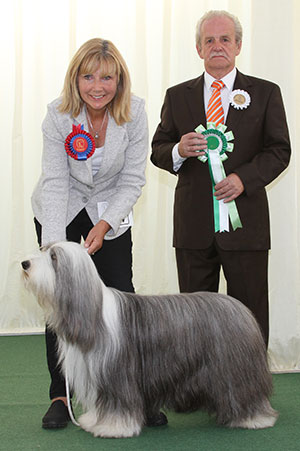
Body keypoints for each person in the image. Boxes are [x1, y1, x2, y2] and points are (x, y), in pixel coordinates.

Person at [32, 38, 166, 429]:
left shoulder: (135, 113)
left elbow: (132, 178)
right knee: (62, 299)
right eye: (88, 76)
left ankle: (134, 393)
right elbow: (56, 182)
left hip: (110, 210)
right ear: (75, 79)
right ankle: (62, 394)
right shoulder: (57, 116)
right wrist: (55, 250)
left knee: (122, 296)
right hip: (61, 209)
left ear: (119, 80)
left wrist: (105, 225)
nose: (97, 86)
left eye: (106, 77)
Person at [151, 10, 291, 347]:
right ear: (198, 48)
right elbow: (158, 149)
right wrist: (179, 150)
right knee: (193, 318)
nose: (217, 46)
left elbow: (279, 150)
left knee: (250, 314)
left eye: (224, 39)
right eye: (209, 40)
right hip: (193, 227)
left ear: (238, 45)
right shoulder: (177, 95)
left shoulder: (266, 92)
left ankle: (251, 391)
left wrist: (244, 179)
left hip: (246, 226)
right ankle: (196, 388)